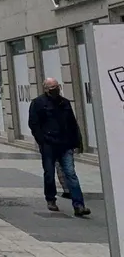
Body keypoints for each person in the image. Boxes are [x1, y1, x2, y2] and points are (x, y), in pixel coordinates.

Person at [28, 78, 90, 216]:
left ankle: (79, 205)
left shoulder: (64, 103)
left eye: (56, 86)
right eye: (52, 87)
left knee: (71, 173)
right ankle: (51, 199)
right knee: (49, 173)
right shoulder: (38, 103)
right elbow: (34, 124)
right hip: (49, 144)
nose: (55, 89)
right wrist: (42, 141)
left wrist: (77, 142)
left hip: (65, 144)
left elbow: (72, 123)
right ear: (45, 89)